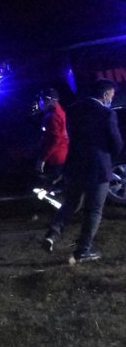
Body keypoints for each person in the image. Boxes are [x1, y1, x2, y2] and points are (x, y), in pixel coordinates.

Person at [43, 79, 123, 261]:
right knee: (94, 210)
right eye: (111, 95)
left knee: (71, 202)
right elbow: (116, 144)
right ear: (105, 95)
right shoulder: (106, 113)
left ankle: (52, 234)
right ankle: (83, 250)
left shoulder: (73, 110)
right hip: (98, 167)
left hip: (75, 164)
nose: (112, 97)